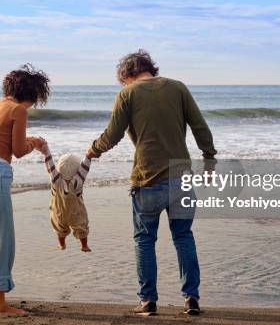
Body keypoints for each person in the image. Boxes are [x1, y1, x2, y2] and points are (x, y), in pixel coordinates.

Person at [87, 50, 216, 316]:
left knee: (145, 240)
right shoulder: (178, 88)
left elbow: (112, 135)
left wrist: (92, 151)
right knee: (183, 237)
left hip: (147, 180)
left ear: (128, 75)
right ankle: (191, 299)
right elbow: (200, 126)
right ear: (151, 69)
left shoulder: (128, 94)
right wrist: (209, 158)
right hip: (180, 179)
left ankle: (148, 302)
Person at [0, 64, 50, 315]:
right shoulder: (18, 110)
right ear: (32, 93)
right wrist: (34, 143)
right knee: (2, 242)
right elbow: (17, 149)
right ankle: (1, 305)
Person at [36, 140, 92, 252]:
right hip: (76, 211)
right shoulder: (78, 180)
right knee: (81, 226)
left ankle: (61, 244)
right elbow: (85, 167)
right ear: (77, 169)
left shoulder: (56, 180)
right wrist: (89, 155)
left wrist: (46, 152)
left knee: (59, 228)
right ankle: (84, 245)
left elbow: (50, 167)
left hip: (59, 212)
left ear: (59, 168)